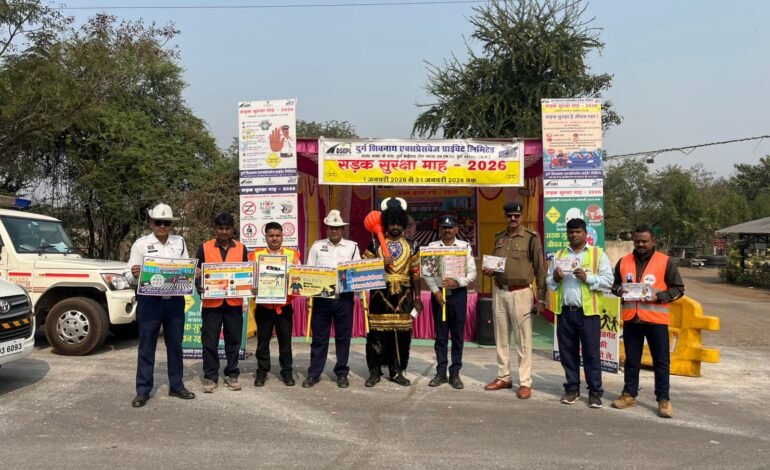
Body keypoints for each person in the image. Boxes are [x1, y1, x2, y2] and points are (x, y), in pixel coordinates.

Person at [610, 225, 684, 418]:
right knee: (631, 360)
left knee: (661, 362)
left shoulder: (665, 262)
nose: (641, 244)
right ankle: (629, 395)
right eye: (637, 241)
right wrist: (620, 290)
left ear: (653, 241)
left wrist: (660, 297)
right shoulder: (623, 262)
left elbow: (678, 288)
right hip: (632, 319)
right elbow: (614, 285)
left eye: (645, 241)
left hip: (656, 319)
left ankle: (663, 400)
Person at [127, 203, 195, 408]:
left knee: (175, 345)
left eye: (166, 223)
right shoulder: (140, 244)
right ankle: (143, 390)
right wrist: (135, 274)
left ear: (171, 224)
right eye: (158, 222)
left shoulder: (179, 242)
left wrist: (192, 273)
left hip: (174, 301)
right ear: (151, 223)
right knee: (146, 346)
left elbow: (186, 268)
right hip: (150, 302)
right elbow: (128, 273)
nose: (162, 226)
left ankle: (176, 385)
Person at [546, 218, 613, 408]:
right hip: (566, 312)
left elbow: (609, 281)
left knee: (591, 354)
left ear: (586, 234)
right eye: (571, 232)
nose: (574, 235)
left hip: (588, 313)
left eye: (577, 232)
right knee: (568, 353)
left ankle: (595, 392)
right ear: (567, 234)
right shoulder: (560, 255)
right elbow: (549, 281)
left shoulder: (597, 254)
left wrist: (588, 277)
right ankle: (572, 389)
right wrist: (556, 278)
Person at [482, 201, 546, 399]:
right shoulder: (499, 238)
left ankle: (525, 381)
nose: (512, 219)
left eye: (516, 216)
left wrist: (541, 299)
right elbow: (496, 264)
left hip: (521, 293)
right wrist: (490, 271)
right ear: (505, 217)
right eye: (509, 215)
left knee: (523, 340)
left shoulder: (531, 238)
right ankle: (503, 376)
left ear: (521, 217)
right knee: (501, 337)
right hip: (500, 290)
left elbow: (540, 270)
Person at [363, 197, 423, 387]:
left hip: (404, 297)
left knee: (401, 336)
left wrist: (418, 298)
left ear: (403, 225)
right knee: (376, 335)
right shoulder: (375, 245)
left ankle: (396, 371)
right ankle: (374, 371)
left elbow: (415, 274)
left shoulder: (413, 246)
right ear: (386, 225)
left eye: (398, 223)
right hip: (379, 295)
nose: (395, 227)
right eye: (391, 223)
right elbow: (362, 269)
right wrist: (380, 263)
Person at [302, 210, 361, 389]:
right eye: (331, 228)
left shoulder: (352, 247)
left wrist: (358, 292)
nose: (334, 231)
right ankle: (314, 373)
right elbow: (309, 271)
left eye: (337, 228)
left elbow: (357, 272)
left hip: (344, 298)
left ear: (343, 229)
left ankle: (341, 373)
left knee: (343, 337)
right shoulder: (317, 246)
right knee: (319, 337)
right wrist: (308, 296)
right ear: (327, 229)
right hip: (322, 298)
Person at [195, 213, 249, 393]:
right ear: (215, 229)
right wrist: (199, 285)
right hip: (212, 304)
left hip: (233, 303)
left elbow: (246, 273)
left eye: (227, 228)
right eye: (220, 228)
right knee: (209, 341)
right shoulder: (204, 248)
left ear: (232, 229)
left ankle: (232, 374)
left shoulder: (241, 248)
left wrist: (249, 287)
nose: (224, 232)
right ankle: (210, 376)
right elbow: (197, 273)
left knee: (233, 341)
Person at [423, 215, 476, 389]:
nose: (447, 230)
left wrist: (458, 282)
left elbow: (472, 273)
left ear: (456, 230)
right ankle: (440, 373)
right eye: (444, 227)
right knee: (441, 336)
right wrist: (435, 290)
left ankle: (455, 373)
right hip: (439, 295)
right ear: (439, 230)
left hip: (458, 294)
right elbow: (427, 273)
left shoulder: (464, 247)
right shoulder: (432, 247)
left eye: (450, 227)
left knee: (457, 336)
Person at [248, 222, 301, 387]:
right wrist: (252, 288)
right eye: (271, 236)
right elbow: (249, 278)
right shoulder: (255, 255)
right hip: (263, 307)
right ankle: (262, 371)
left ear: (282, 236)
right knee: (262, 342)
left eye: (278, 235)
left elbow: (299, 277)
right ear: (265, 237)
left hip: (284, 307)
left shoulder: (293, 255)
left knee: (285, 342)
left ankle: (287, 372)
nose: (275, 239)